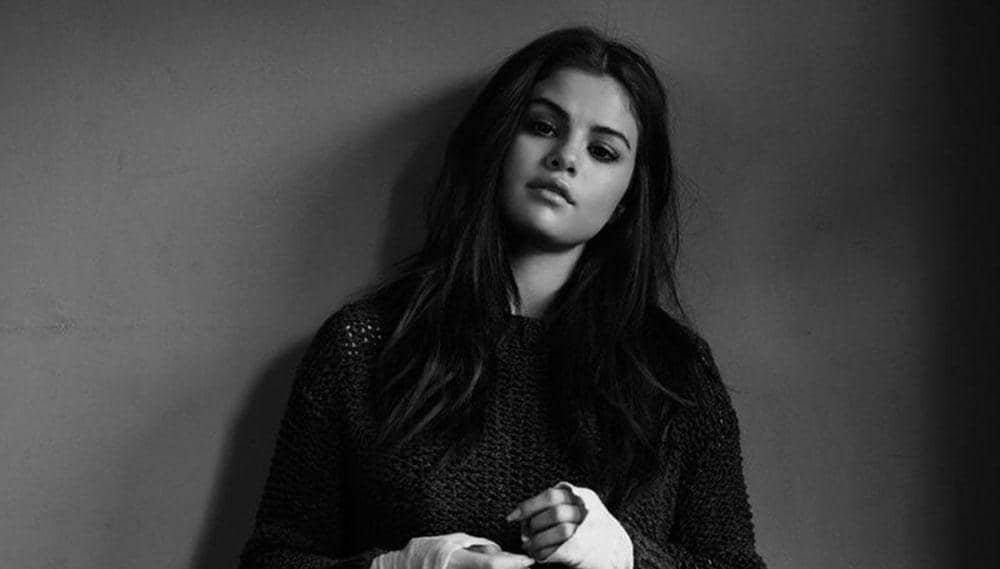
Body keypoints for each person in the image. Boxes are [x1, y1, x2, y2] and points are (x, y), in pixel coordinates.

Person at [238, 26, 766, 569]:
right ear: (497, 140)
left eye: (603, 150)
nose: (565, 157)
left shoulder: (675, 374)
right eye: (542, 127)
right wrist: (399, 566)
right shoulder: (363, 346)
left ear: (628, 199)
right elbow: (271, 560)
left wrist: (627, 556)